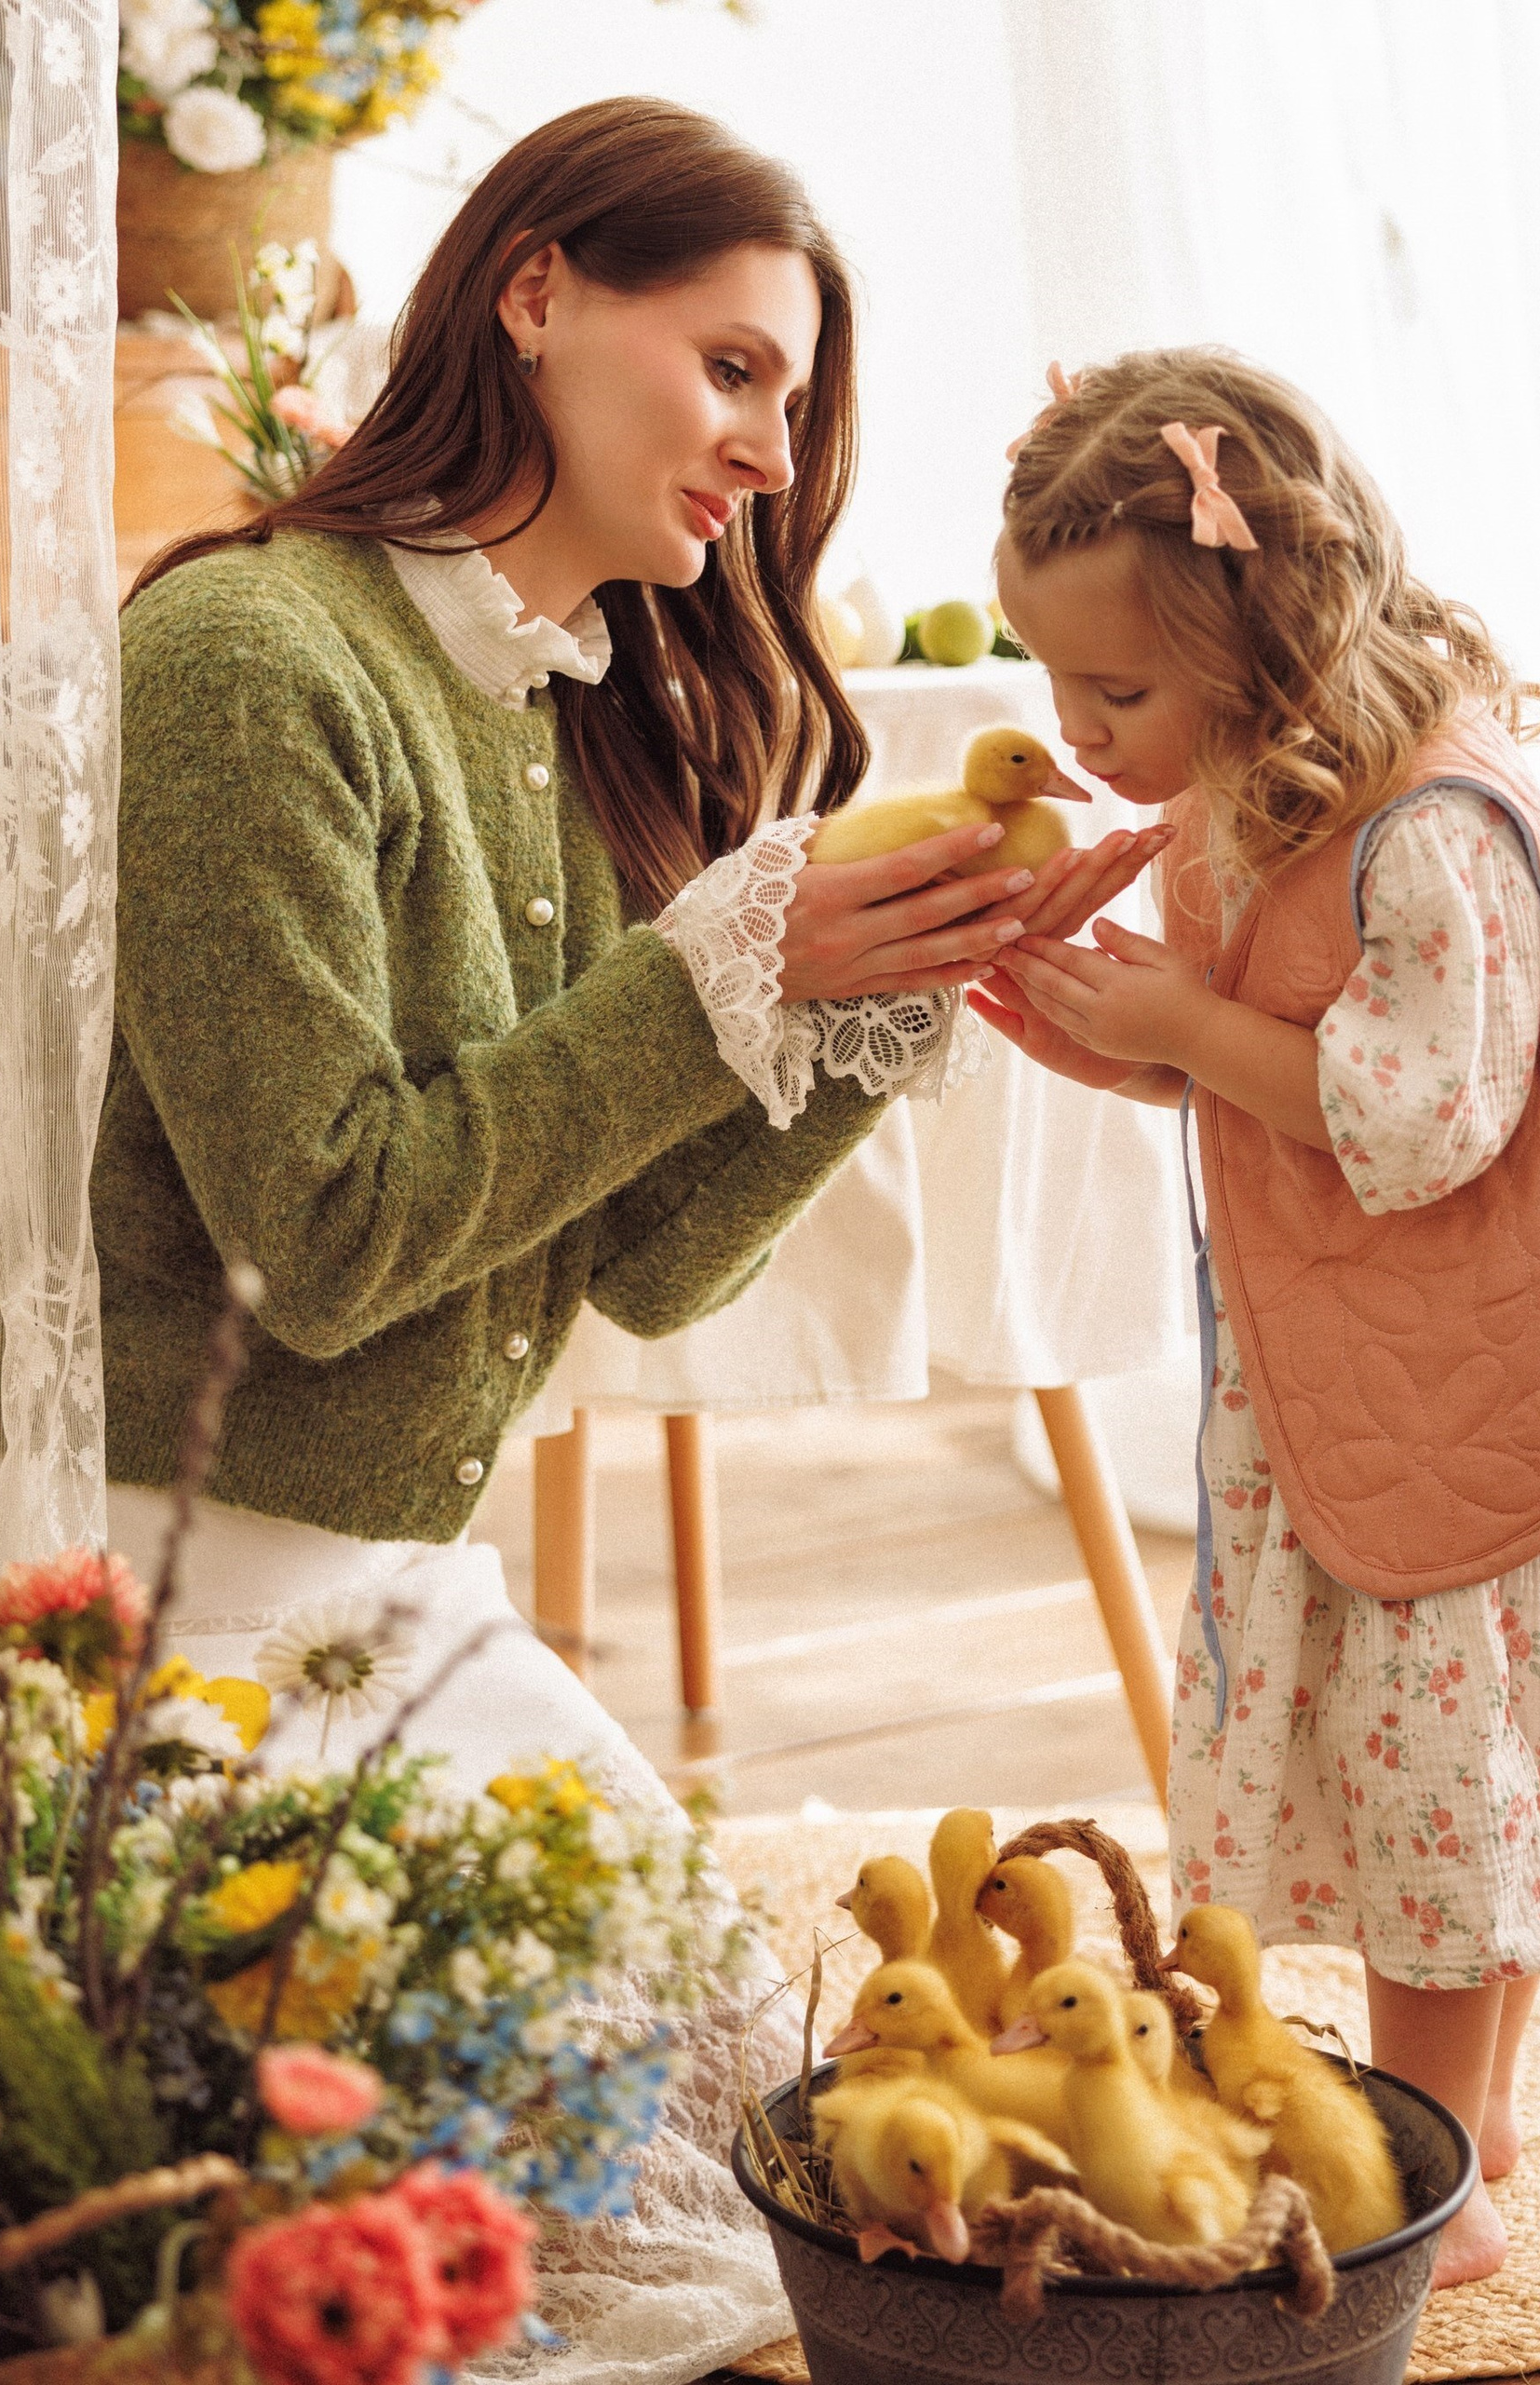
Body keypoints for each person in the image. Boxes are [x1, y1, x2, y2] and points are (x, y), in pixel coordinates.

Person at [85, 97, 1156, 2381]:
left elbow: (647, 1265)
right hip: (182, 1608)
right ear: (538, 289)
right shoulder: (248, 663)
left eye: (799, 402)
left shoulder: (558, 704)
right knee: (592, 2268)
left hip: (402, 1601)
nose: (774, 456)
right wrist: (714, 975)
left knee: (788, 2150)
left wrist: (877, 1000)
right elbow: (325, 1242)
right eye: (739, 369)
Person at [968, 347, 1540, 2287]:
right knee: (1434, 1765)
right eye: (1055, 686)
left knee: (1442, 1791)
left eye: (1114, 691)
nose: (1076, 733)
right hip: (1371, 1362)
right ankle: (1474, 2120)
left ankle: (1437, 2173)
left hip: (1480, 1365)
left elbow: (1415, 1115)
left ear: (1270, 644)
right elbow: (1272, 1071)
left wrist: (1185, 1028)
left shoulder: (1424, 825)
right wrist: (1114, 1031)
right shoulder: (1257, 792)